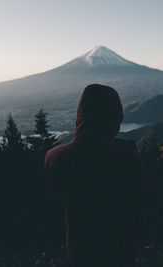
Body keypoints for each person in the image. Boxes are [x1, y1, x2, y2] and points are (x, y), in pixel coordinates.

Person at [44, 84, 151, 267]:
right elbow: (143, 202)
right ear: (116, 117)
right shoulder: (127, 160)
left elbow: (51, 203)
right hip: (120, 250)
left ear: (81, 113)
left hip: (78, 249)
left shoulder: (55, 157)